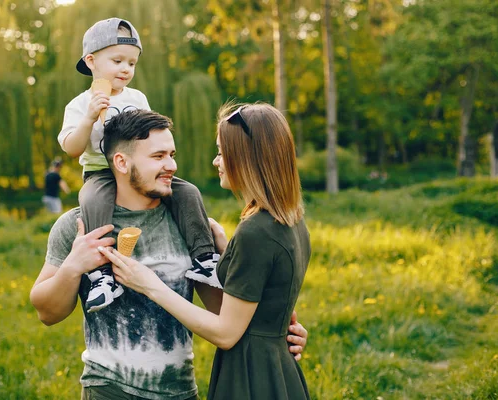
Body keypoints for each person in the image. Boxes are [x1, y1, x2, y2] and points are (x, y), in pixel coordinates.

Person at [30, 108, 308, 400]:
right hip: (107, 391)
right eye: (158, 156)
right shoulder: (80, 228)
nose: (172, 165)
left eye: (172, 154)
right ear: (122, 162)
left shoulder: (190, 227)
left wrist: (276, 328)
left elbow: (223, 311)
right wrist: (73, 267)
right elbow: (47, 313)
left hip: (180, 392)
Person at [58, 17, 219, 313]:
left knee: (188, 192)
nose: (125, 69)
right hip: (101, 172)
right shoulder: (79, 104)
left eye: (131, 63)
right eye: (117, 60)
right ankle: (102, 276)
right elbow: (71, 148)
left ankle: (204, 258)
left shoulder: (137, 98)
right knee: (92, 200)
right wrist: (89, 119)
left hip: (138, 171)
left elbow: (150, 137)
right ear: (91, 61)